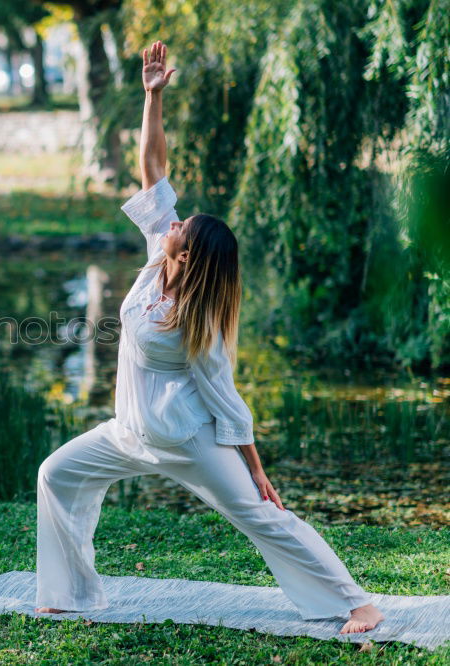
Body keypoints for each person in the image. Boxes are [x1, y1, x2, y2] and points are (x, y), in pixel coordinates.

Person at [33, 40, 384, 635]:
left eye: (180, 228)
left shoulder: (200, 324)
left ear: (188, 253)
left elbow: (225, 397)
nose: (171, 221)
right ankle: (68, 595)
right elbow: (154, 168)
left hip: (188, 437)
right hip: (130, 430)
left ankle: (357, 602)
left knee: (260, 514)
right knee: (57, 474)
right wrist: (152, 97)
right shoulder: (155, 261)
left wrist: (255, 466)